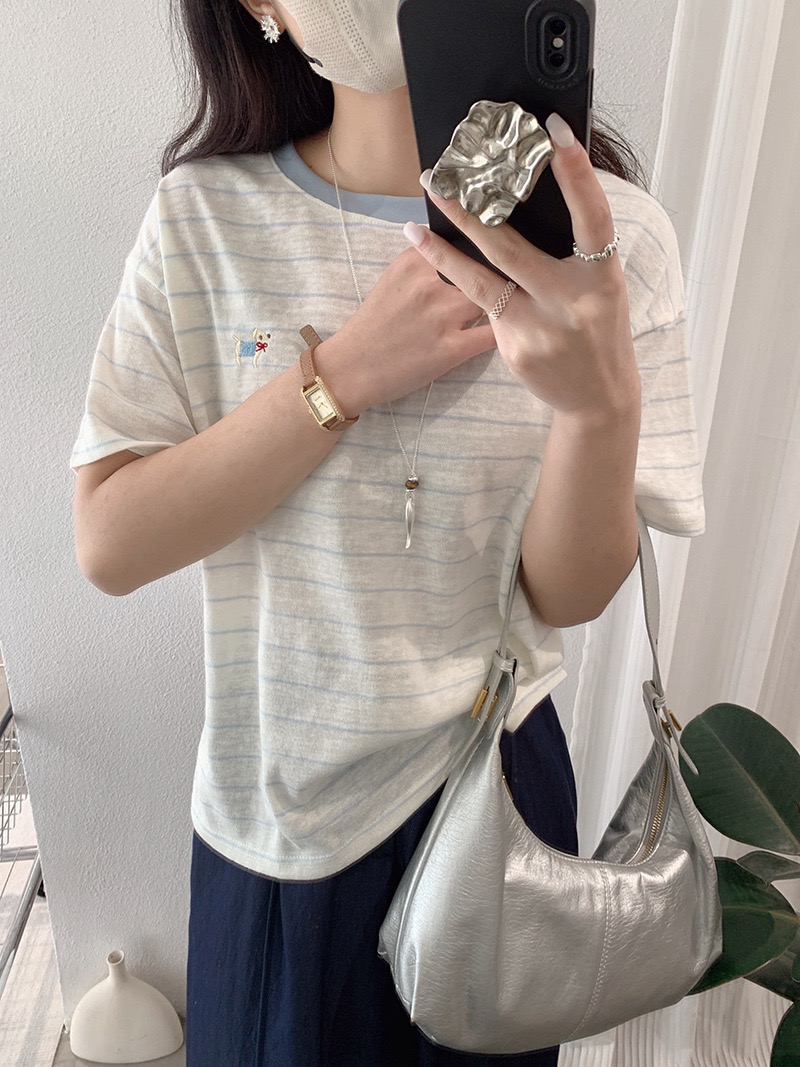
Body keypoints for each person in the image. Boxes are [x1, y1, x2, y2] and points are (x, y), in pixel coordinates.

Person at [70, 1, 704, 1063]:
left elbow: (566, 593)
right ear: (258, 8)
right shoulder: (201, 218)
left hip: (497, 801)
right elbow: (110, 540)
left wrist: (598, 408)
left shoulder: (610, 236)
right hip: (275, 815)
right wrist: (342, 376)